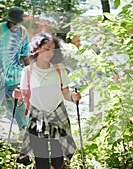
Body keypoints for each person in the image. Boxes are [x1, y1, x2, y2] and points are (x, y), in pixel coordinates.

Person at [13, 32, 82, 169]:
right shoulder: (27, 71)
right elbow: (24, 97)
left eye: (53, 49)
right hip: (37, 116)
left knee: (58, 160)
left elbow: (66, 93)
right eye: (46, 49)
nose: (50, 53)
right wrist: (18, 96)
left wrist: (74, 98)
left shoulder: (59, 69)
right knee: (41, 161)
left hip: (58, 115)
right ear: (37, 49)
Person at [0, 6, 30, 137]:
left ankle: (23, 129)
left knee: (19, 100)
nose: (16, 25)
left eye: (18, 23)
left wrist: (30, 73)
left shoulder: (23, 33)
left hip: (14, 74)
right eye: (13, 22)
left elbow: (25, 55)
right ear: (8, 20)